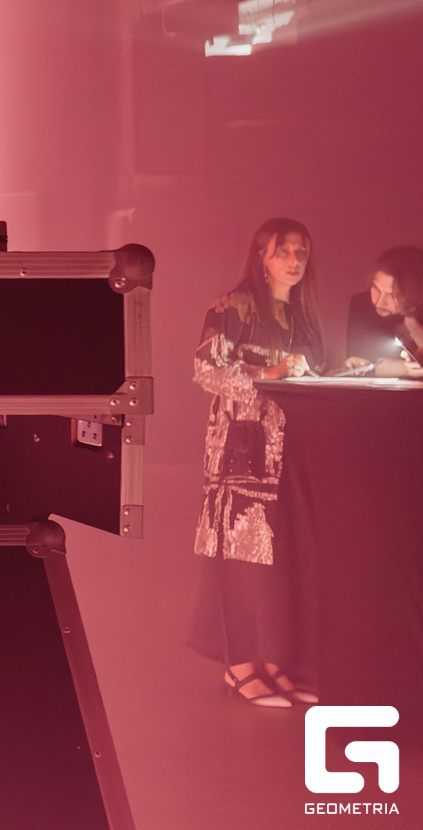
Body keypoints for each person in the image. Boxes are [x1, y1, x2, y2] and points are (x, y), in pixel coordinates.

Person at [186, 217, 326, 708]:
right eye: (283, 251)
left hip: (291, 453)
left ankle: (271, 660)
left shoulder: (302, 316)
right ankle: (240, 666)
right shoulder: (232, 307)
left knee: (280, 563)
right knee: (239, 561)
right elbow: (206, 370)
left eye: (301, 252)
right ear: (261, 256)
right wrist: (269, 372)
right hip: (240, 455)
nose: (294, 261)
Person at [342, 246, 423, 377]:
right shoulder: (362, 305)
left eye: (392, 295)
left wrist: (415, 330)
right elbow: (359, 360)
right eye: (376, 288)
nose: (379, 301)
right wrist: (402, 369)